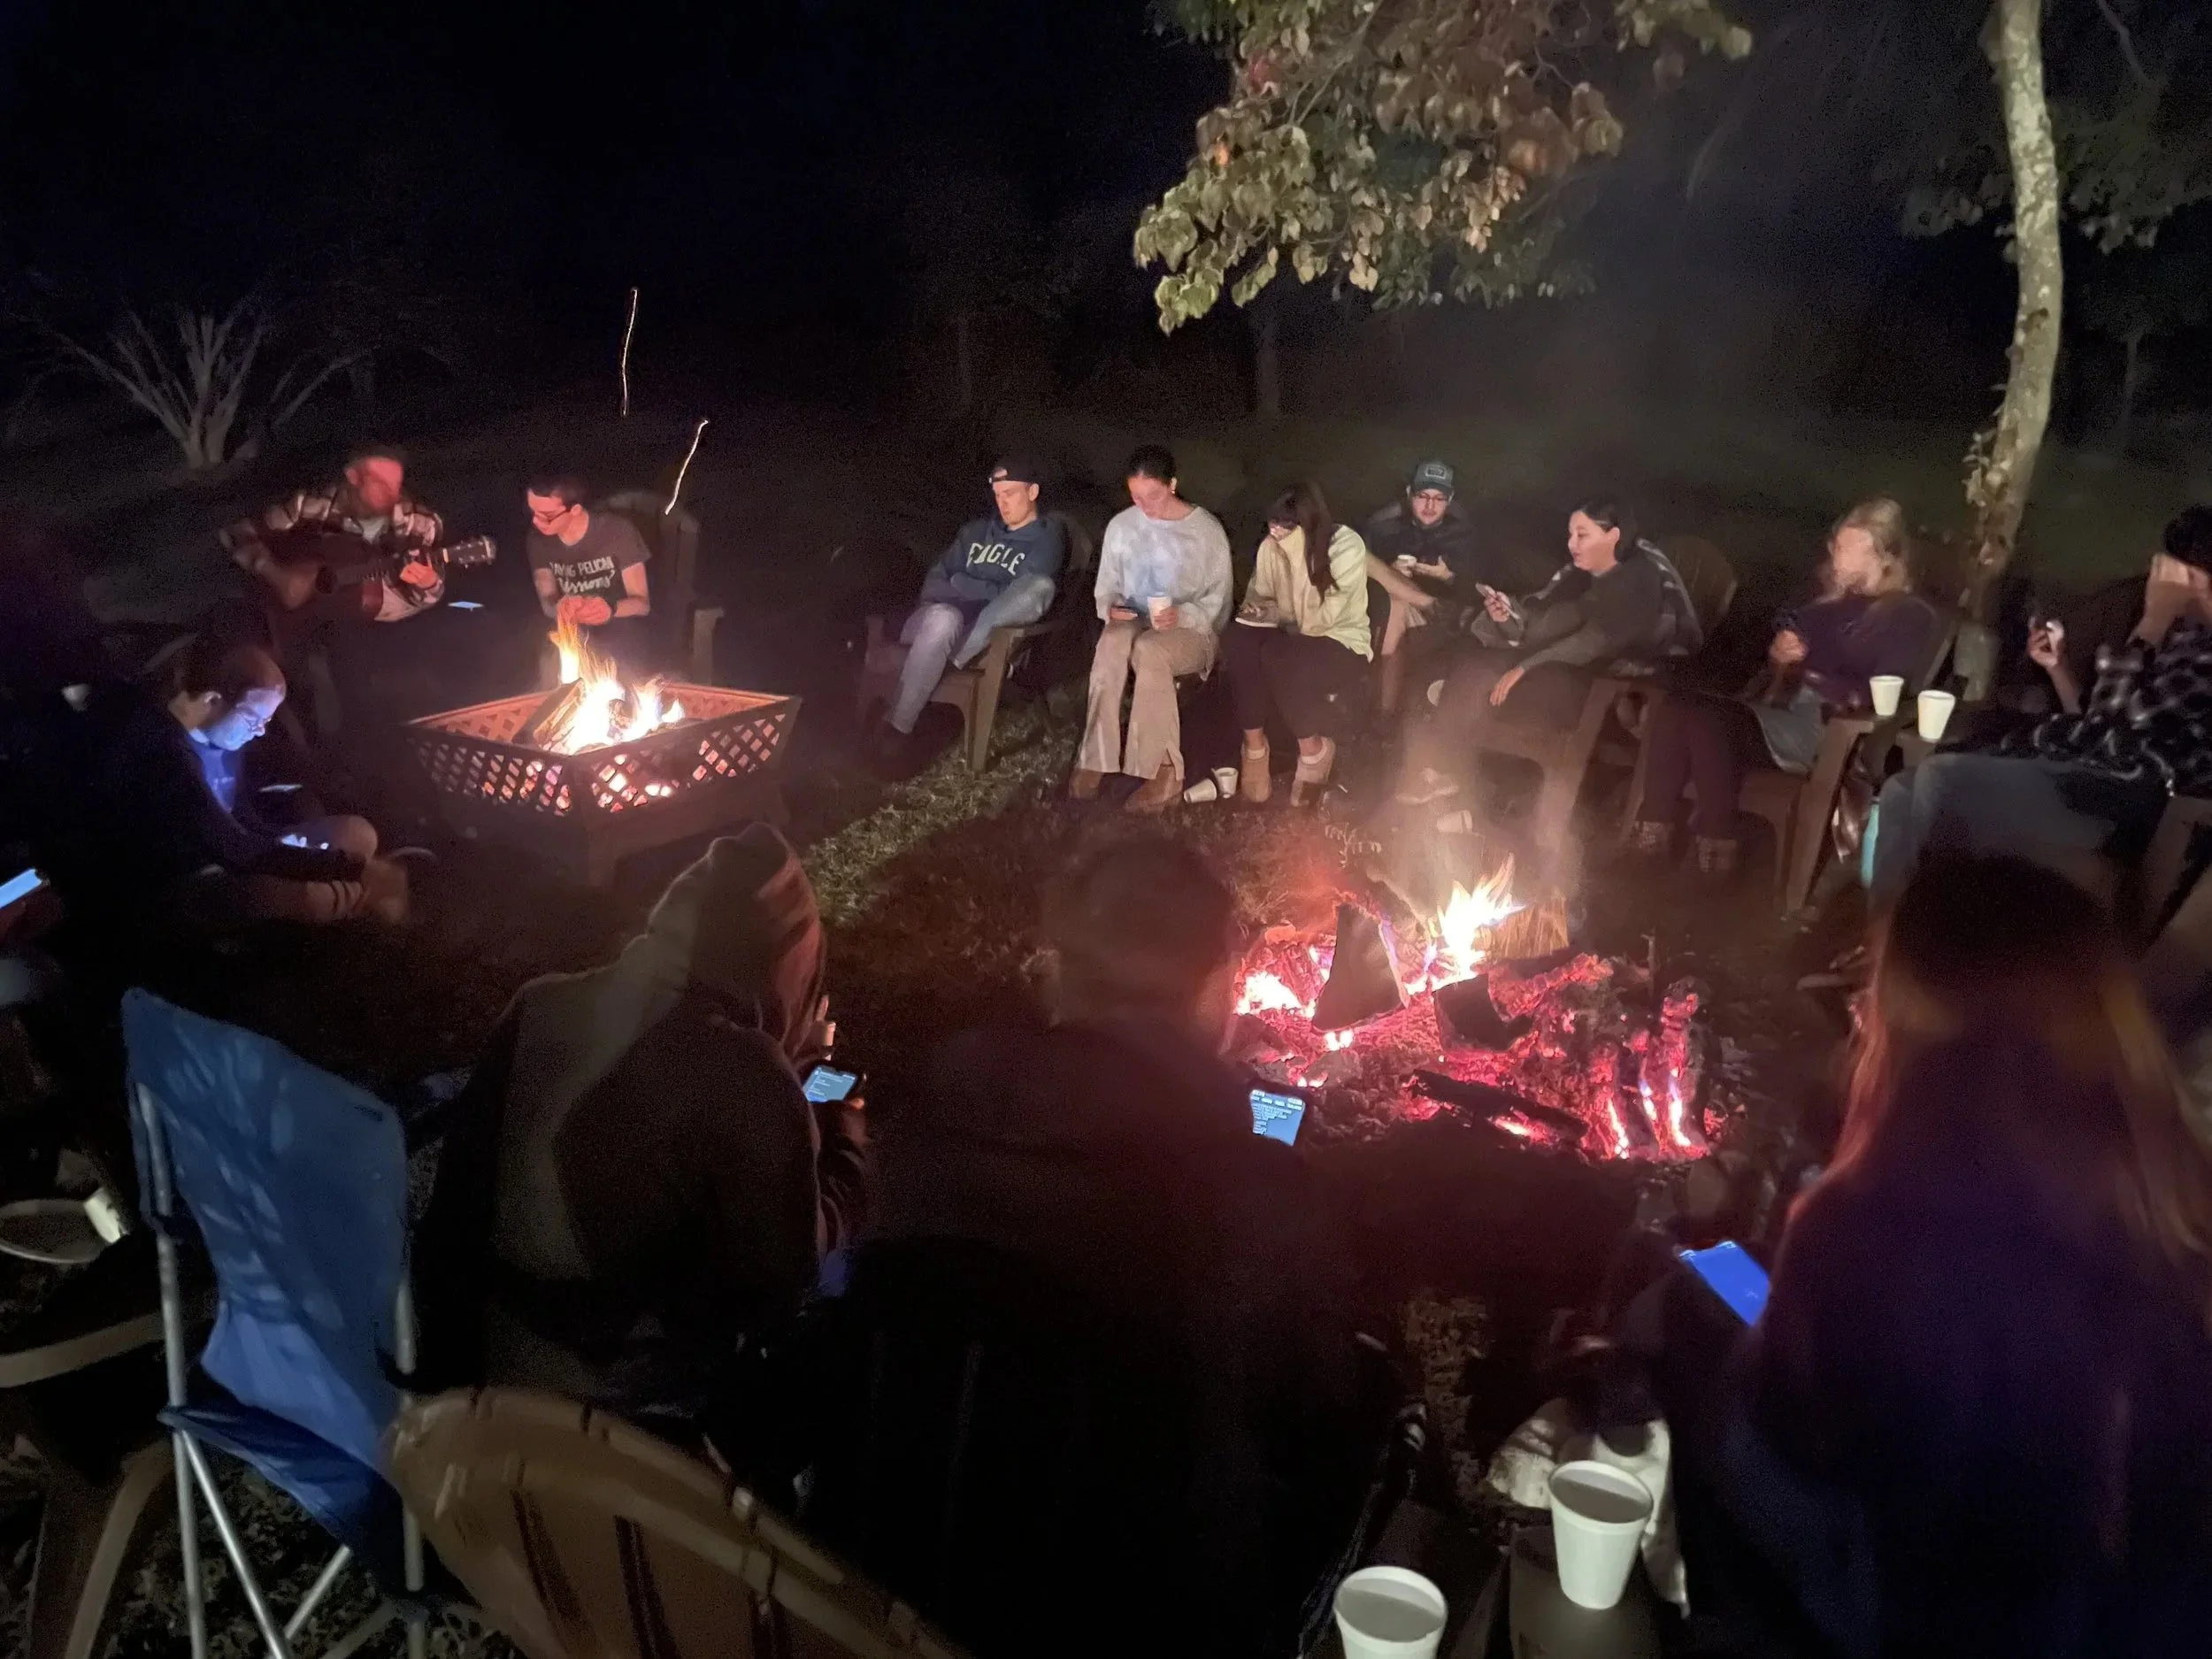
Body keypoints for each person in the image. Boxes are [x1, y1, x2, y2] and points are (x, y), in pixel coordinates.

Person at [1658, 858, 2212, 1657]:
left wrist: (1732, 1292)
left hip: (1897, 1620)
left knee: (1684, 1301)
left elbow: (1773, 1486)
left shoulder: (1866, 1229)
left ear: (1904, 1029)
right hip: (2122, 1622)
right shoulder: (2171, 1208)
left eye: (1871, 996)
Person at [871, 834, 1370, 1655]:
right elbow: (1316, 1403)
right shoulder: (1253, 1191)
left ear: (1058, 975)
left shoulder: (918, 1128)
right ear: (1219, 990)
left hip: (891, 1583)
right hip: (1131, 1614)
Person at [414, 826, 868, 1438]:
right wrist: (842, 1129)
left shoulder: (540, 1002)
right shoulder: (745, 1072)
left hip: (474, 1388)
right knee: (851, 1291)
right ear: (789, 964)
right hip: (623, 1430)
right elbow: (782, 1286)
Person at [1864, 541, 2212, 909]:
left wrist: (2150, 626)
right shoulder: (2182, 637)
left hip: (2125, 801)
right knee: (1900, 789)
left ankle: (1940, 939)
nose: (2158, 584)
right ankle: (1885, 940)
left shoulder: (2199, 654)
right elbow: (2099, 728)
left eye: (2176, 575)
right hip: (2094, 774)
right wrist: (2057, 668)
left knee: (1942, 780)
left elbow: (2118, 736)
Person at [1630, 498, 1941, 878]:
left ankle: (1715, 855)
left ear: (1883, 556)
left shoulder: (1907, 615)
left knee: (1706, 720)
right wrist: (1780, 655)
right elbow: (1781, 658)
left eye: (1846, 547)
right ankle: (1649, 844)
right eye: (1835, 544)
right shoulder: (1827, 604)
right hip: (1780, 708)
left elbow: (1885, 691)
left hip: (1827, 727)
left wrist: (1809, 670)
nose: (1834, 553)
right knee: (1677, 708)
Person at [63, 635, 407, 933]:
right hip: (184, 879)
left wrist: (285, 844)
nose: (260, 731)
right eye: (254, 718)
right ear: (213, 699)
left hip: (234, 853)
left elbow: (240, 814)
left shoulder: (224, 738)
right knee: (306, 897)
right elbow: (230, 846)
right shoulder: (161, 751)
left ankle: (347, 904)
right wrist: (348, 868)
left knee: (358, 832)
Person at [1400, 498, 1701, 808]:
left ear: (1613, 536)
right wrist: (1509, 617)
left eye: (1582, 535)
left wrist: (1524, 667)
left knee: (1482, 672)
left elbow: (1592, 643)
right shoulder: (1594, 577)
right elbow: (1557, 621)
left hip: (1612, 695)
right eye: (1571, 534)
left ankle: (1466, 781)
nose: (1572, 544)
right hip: (1574, 672)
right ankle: (1445, 774)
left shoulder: (1638, 579)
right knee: (1478, 662)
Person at [873, 457, 1066, 768]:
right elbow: (935, 585)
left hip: (991, 636)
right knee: (944, 618)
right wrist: (985, 591)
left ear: (1033, 492)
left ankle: (948, 659)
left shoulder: (1048, 535)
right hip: (934, 624)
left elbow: (1029, 592)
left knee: (1038, 587)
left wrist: (966, 582)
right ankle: (898, 727)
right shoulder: (974, 533)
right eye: (998, 495)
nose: (1003, 503)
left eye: (1011, 494)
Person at [1073, 446, 1233, 813]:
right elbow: (1107, 587)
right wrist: (1111, 607)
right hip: (1138, 619)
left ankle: (1164, 771)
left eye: (1154, 495)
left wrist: (1182, 614)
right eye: (1137, 497)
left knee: (1151, 651)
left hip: (1193, 630)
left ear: (1173, 484)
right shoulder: (1122, 527)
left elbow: (1217, 603)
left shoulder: (1204, 531)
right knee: (1113, 641)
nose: (1145, 506)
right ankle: (1096, 756)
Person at [1223, 482, 1372, 805]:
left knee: (1280, 657)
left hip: (1340, 641)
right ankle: (1254, 746)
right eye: (1272, 523)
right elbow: (1261, 595)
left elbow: (1319, 622)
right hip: (1291, 633)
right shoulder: (1271, 546)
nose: (1275, 532)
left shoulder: (1346, 546)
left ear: (1309, 523)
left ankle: (1314, 750)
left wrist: (1295, 554)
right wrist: (1256, 611)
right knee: (1239, 641)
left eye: (1285, 526)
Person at [225, 443, 448, 627]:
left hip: (386, 622)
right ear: (353, 477)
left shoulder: (419, 524)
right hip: (310, 616)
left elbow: (430, 596)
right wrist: (274, 572)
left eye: (395, 485)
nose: (391, 495)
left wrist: (427, 582)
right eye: (379, 484)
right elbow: (242, 531)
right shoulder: (311, 505)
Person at [1361, 459, 1481, 717]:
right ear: (1409, 494)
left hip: (1442, 623)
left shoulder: (1462, 536)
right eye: (1423, 496)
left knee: (1397, 603)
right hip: (1387, 612)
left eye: (1439, 499)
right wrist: (1389, 571)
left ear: (1450, 500)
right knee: (1390, 593)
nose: (1430, 506)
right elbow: (1356, 575)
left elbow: (1476, 595)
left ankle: (1385, 713)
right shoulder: (1385, 528)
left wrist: (1447, 576)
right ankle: (1385, 714)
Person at [523, 473, 656, 681]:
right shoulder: (538, 541)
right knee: (551, 663)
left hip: (620, 626)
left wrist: (609, 608)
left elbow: (642, 603)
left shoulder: (617, 532)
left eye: (546, 515)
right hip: (571, 631)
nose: (536, 521)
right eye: (533, 512)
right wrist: (561, 607)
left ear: (575, 510)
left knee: (619, 662)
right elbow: (547, 601)